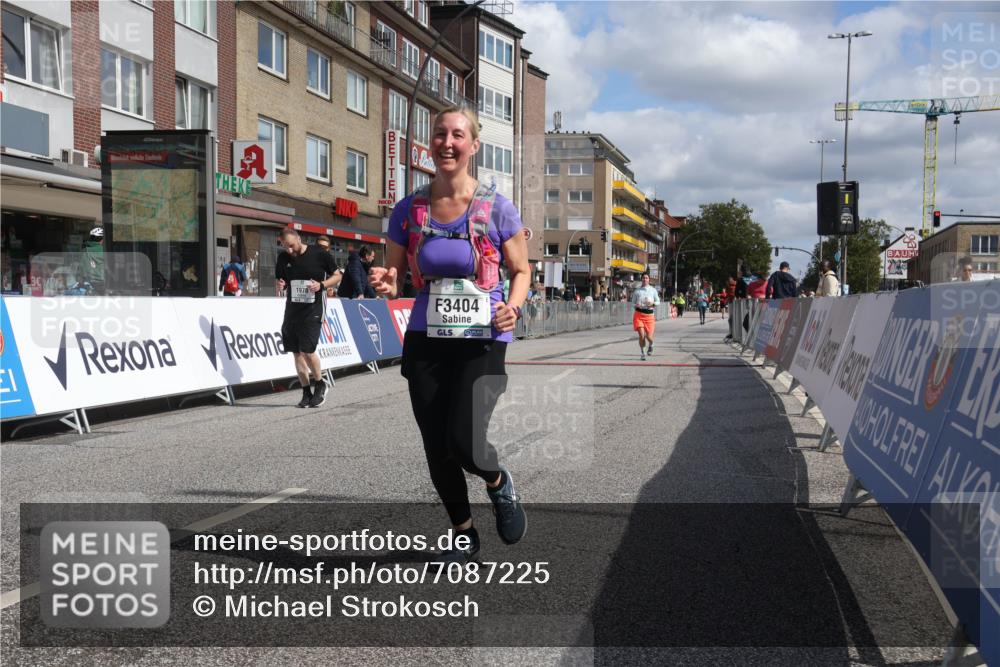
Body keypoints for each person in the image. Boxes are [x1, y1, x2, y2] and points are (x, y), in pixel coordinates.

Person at [368, 106, 529, 563]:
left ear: (473, 146)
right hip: (427, 338)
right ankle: (463, 532)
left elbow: (521, 271)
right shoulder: (409, 209)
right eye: (440, 134)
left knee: (464, 440)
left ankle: (498, 482)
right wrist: (386, 281)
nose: (447, 142)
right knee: (436, 445)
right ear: (430, 142)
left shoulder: (497, 207)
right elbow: (396, 274)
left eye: (458, 135)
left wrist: (513, 307)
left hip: (482, 339)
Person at [275, 227, 340, 408]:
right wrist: (281, 285)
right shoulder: (283, 258)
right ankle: (306, 391)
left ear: (299, 239)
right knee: (296, 352)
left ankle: (320, 383)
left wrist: (322, 285)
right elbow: (281, 281)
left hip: (313, 308)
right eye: (285, 246)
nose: (289, 250)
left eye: (292, 246)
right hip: (292, 309)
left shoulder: (319, 254)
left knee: (308, 350)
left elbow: (337, 276)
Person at [631, 273, 660, 360]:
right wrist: (636, 305)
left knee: (649, 337)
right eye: (643, 278)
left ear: (649, 280)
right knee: (641, 335)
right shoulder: (637, 291)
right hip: (639, 314)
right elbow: (632, 303)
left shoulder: (653, 290)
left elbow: (658, 301)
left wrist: (653, 304)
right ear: (641, 279)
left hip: (649, 316)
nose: (645, 279)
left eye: (646, 278)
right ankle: (643, 352)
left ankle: (651, 344)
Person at [80, 227, 106, 294]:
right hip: (103, 285)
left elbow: (81, 270)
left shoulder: (84, 251)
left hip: (88, 285)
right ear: (102, 240)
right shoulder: (105, 251)